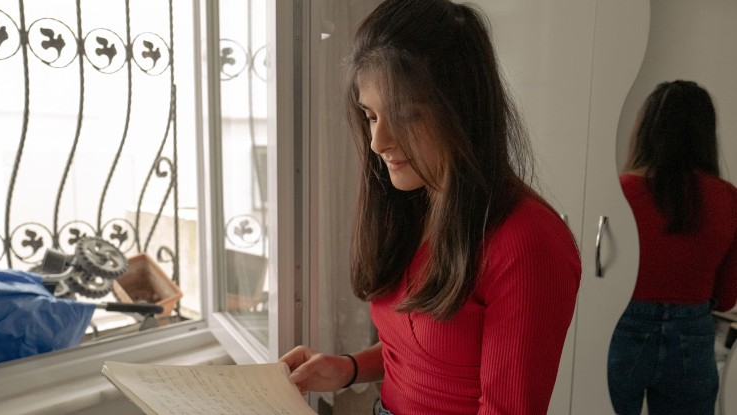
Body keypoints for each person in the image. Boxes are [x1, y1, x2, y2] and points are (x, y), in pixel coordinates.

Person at [279, 1, 581, 413]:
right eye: (371, 116)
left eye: (405, 116)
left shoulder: (526, 242)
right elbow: (424, 352)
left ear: (461, 110)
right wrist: (347, 368)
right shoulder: (415, 202)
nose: (378, 142)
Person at [608, 80, 737, 415]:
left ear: (646, 130)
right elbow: (727, 298)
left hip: (621, 329)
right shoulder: (728, 199)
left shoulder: (621, 192)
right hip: (692, 336)